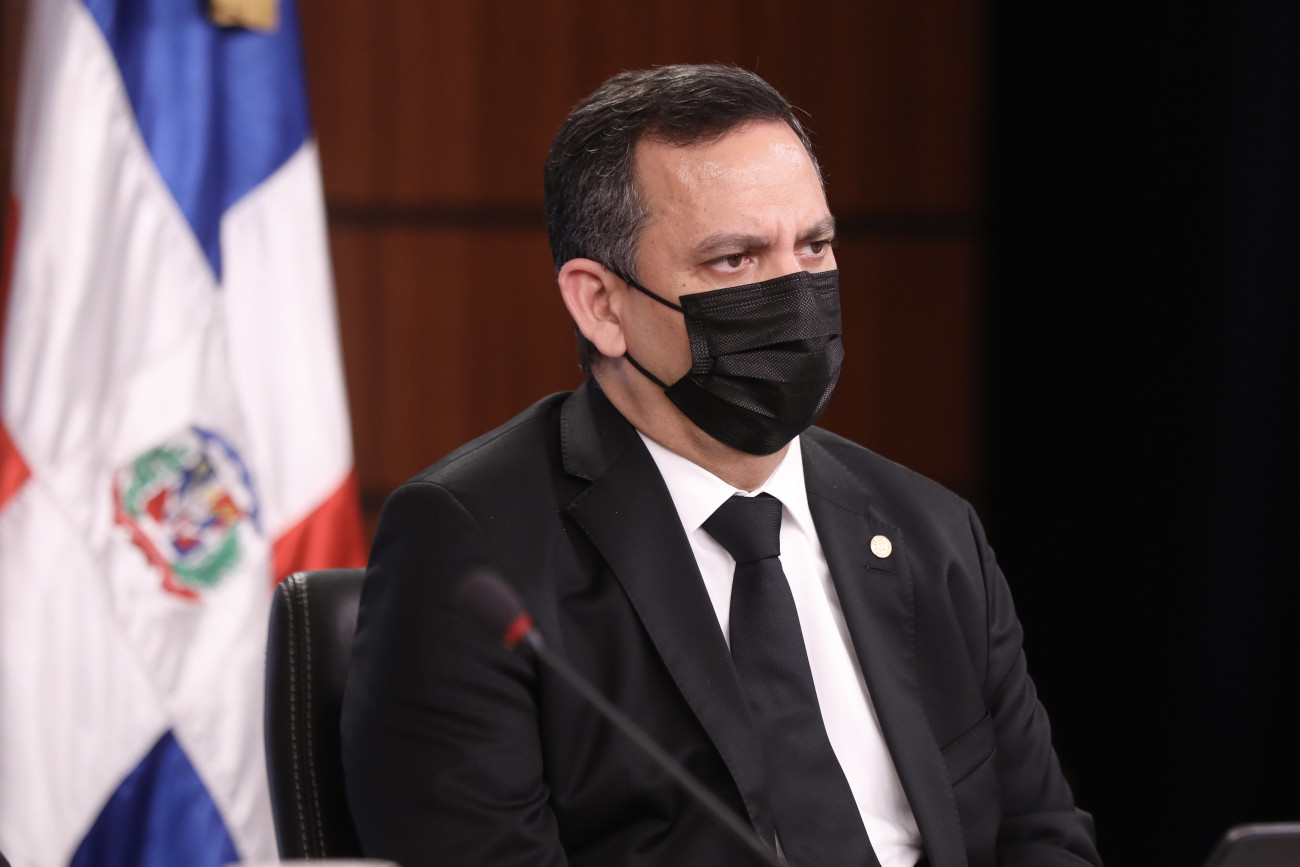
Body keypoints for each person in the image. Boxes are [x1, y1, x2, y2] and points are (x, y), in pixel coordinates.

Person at [341, 64, 1102, 867]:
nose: (797, 296)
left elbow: (1043, 837)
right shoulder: (472, 545)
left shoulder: (930, 529)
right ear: (601, 303)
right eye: (735, 260)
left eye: (814, 246)